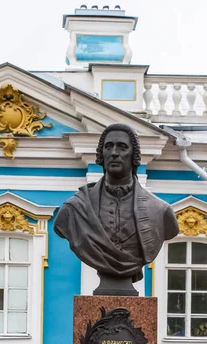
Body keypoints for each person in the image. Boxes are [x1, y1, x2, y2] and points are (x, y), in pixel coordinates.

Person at [54, 123, 179, 295]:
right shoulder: (74, 208)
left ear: (133, 155)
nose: (114, 153)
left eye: (122, 147)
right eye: (108, 147)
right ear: (101, 154)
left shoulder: (160, 211)